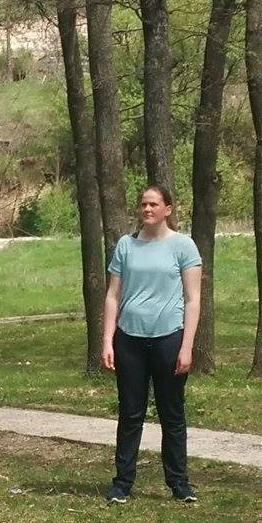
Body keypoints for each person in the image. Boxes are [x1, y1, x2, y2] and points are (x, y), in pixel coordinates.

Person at [100, 184, 202, 504]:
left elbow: (193, 300)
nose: (147, 209)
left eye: (154, 204)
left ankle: (179, 483)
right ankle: (122, 483)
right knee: (131, 413)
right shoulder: (126, 245)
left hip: (168, 339)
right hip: (129, 341)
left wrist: (186, 346)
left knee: (172, 414)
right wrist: (107, 340)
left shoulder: (183, 246)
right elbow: (113, 295)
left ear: (167, 209)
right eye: (144, 204)